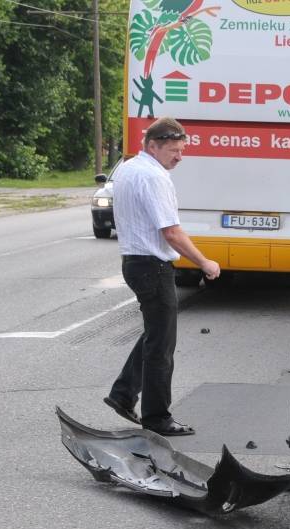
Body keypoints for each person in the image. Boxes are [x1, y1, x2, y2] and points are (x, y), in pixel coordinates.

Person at [103, 117, 220, 436]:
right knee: (161, 345)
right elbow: (171, 231)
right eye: (173, 150)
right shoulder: (154, 177)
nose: (180, 157)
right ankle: (157, 418)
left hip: (135, 262)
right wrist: (204, 262)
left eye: (182, 150)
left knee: (156, 335)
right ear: (152, 145)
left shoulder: (129, 169)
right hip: (152, 266)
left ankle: (123, 393)